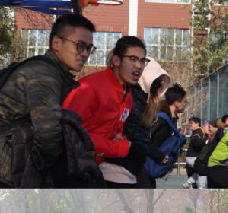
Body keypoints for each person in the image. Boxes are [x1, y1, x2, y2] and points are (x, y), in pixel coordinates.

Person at [0, 13, 96, 187]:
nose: (85, 54)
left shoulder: (45, 68)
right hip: (7, 168)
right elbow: (48, 133)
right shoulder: (44, 75)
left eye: (89, 48)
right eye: (80, 46)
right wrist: (47, 168)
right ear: (56, 43)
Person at [63, 36, 149, 188]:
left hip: (94, 171)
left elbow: (114, 135)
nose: (139, 66)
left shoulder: (127, 96)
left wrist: (120, 143)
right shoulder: (88, 88)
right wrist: (118, 148)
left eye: (142, 61)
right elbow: (70, 136)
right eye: (133, 59)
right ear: (116, 60)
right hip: (68, 173)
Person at [126, 73, 171, 188]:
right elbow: (139, 135)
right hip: (129, 162)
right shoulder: (135, 98)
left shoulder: (143, 100)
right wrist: (157, 154)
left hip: (136, 160)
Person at [149, 84, 187, 170]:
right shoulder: (160, 119)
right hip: (144, 163)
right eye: (184, 101)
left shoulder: (171, 118)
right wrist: (160, 156)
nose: (186, 104)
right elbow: (145, 140)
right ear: (177, 103)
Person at [184, 117, 207, 189]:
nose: (190, 125)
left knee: (198, 172)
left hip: (191, 157)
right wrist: (206, 143)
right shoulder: (198, 132)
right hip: (193, 157)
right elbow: (198, 144)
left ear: (197, 124)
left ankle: (189, 183)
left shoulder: (198, 132)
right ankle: (200, 187)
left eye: (192, 123)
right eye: (190, 123)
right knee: (203, 171)